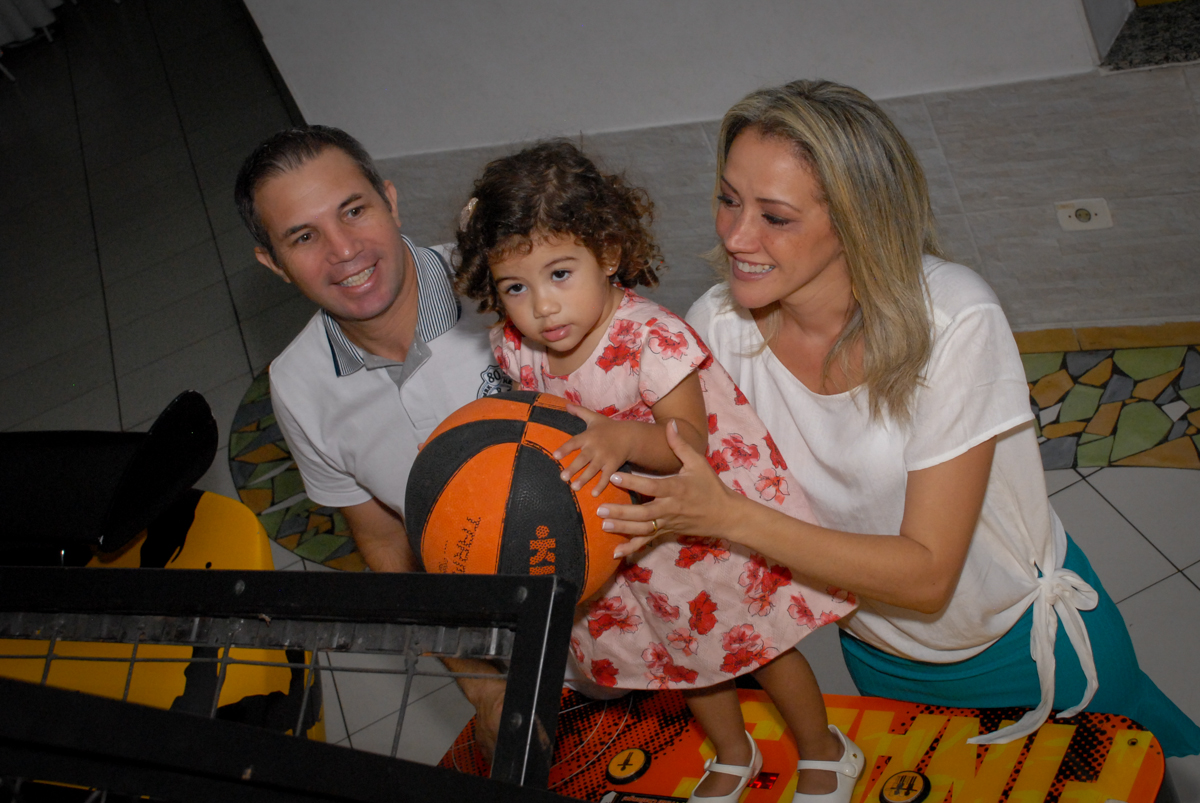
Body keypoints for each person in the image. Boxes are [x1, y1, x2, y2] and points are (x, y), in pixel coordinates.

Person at [596, 80, 1200, 768]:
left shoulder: (953, 319)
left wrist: (725, 515)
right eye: (729, 200)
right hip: (878, 655)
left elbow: (928, 575)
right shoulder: (717, 330)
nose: (736, 235)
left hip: (1021, 643)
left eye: (776, 216)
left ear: (856, 219)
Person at [454, 140, 859, 802]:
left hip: (699, 527)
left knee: (762, 646)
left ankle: (823, 746)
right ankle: (734, 750)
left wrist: (620, 436)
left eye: (560, 274)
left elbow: (686, 445)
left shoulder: (651, 337)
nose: (543, 308)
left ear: (608, 253)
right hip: (622, 541)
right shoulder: (517, 348)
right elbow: (532, 422)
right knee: (684, 654)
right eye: (516, 288)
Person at [233, 125, 511, 755]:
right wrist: (482, 687)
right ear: (272, 263)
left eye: (354, 210)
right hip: (512, 639)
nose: (344, 250)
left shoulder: (506, 285)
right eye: (303, 237)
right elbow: (384, 541)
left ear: (390, 199)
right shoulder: (297, 387)